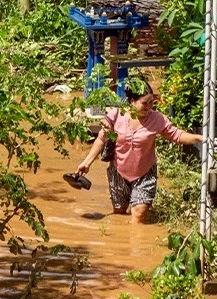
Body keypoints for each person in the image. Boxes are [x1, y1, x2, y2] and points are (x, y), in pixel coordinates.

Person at [75, 81, 201, 223]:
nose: (148, 107)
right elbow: (101, 139)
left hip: (144, 174)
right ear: (132, 101)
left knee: (139, 215)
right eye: (144, 103)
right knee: (119, 212)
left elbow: (176, 135)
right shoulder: (116, 115)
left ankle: (136, 243)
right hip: (118, 171)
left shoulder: (157, 118)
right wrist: (87, 162)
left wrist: (198, 137)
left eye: (151, 103)